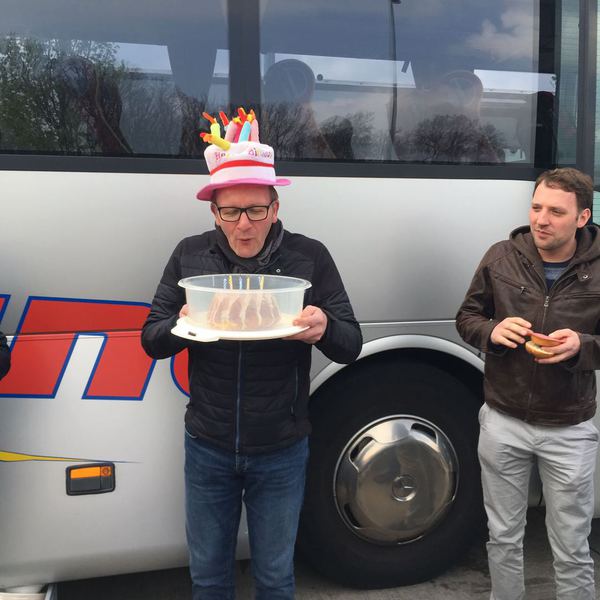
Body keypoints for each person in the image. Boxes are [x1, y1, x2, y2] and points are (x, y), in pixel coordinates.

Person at [141, 109, 362, 600]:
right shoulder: (191, 256)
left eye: (256, 211)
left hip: (281, 447)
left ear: (275, 207)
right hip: (208, 443)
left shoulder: (309, 257)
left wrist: (324, 328)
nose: (243, 225)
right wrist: (184, 324)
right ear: (214, 212)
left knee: (276, 580)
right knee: (208, 579)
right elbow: (151, 339)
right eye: (231, 212)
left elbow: (351, 343)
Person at [456, 167, 600, 600]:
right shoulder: (501, 256)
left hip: (570, 428)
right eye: (536, 208)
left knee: (572, 549)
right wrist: (492, 331)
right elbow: (467, 317)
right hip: (503, 420)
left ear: (583, 217)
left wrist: (582, 345)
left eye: (556, 212)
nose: (541, 219)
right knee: (502, 538)